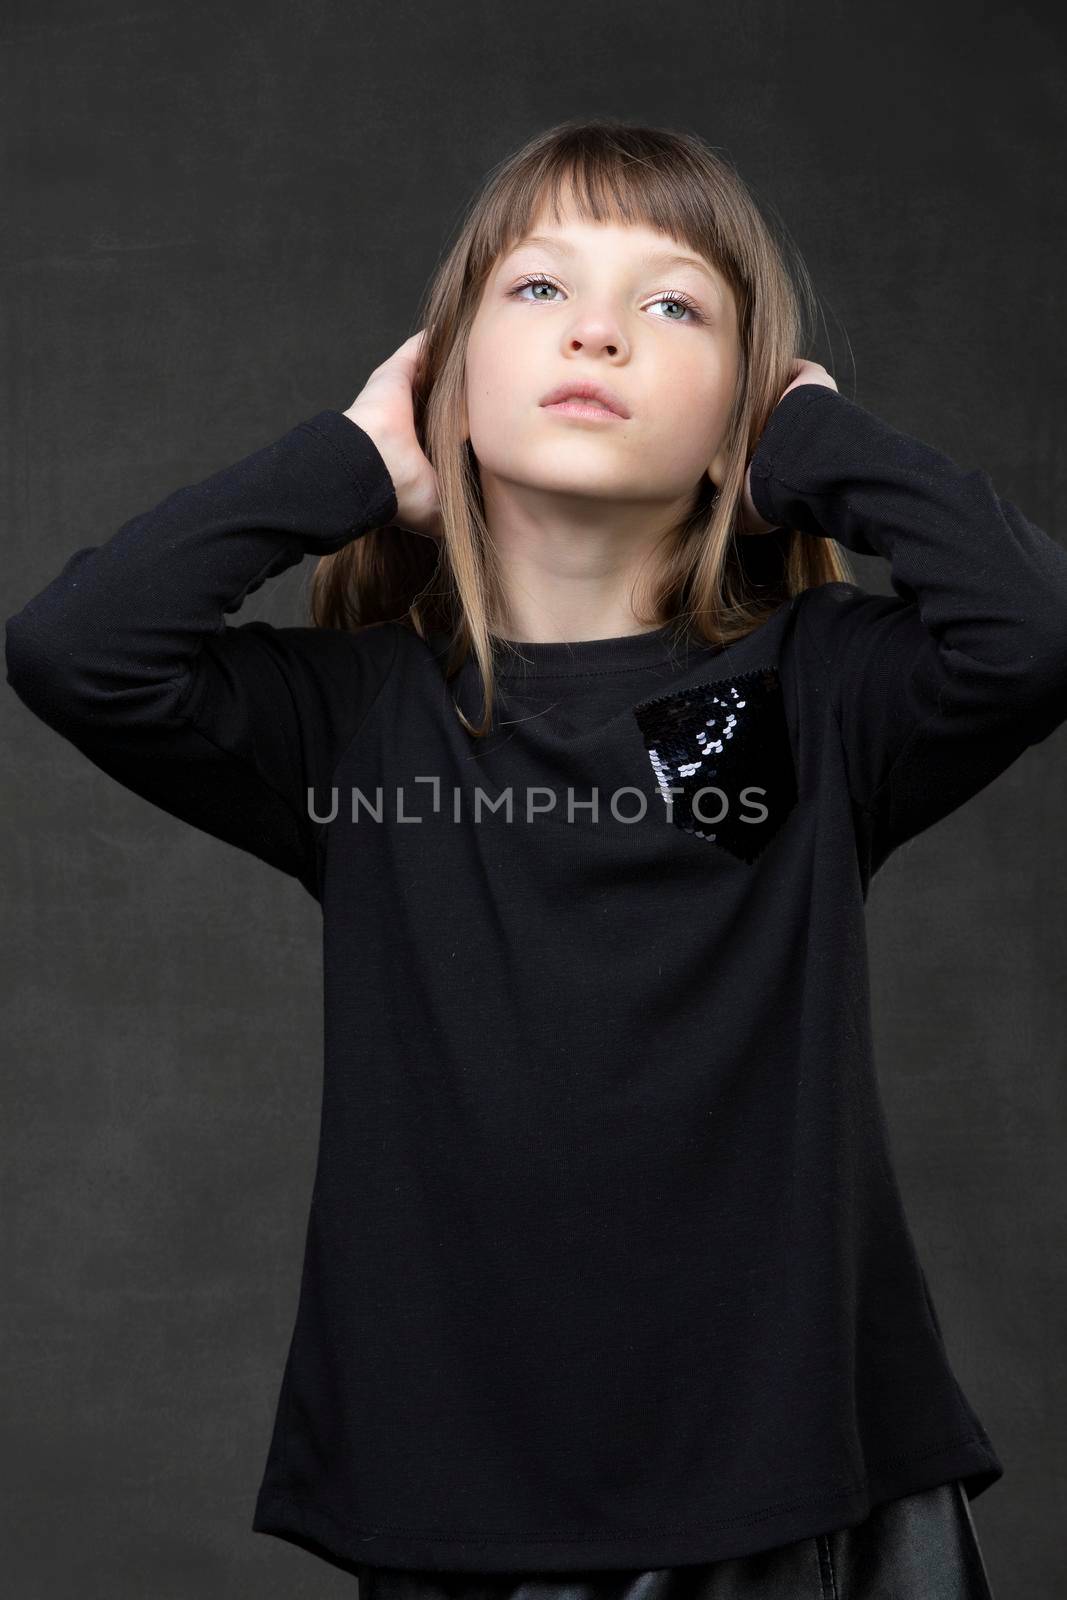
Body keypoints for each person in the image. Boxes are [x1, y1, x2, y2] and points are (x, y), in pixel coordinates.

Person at [8, 116, 1062, 1597]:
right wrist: (354, 460)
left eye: (675, 304)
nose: (603, 336)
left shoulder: (820, 696)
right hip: (467, 1511)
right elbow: (74, 649)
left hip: (805, 1485)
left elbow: (1035, 631)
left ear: (738, 426)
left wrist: (812, 439)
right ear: (444, 374)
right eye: (540, 289)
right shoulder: (361, 725)